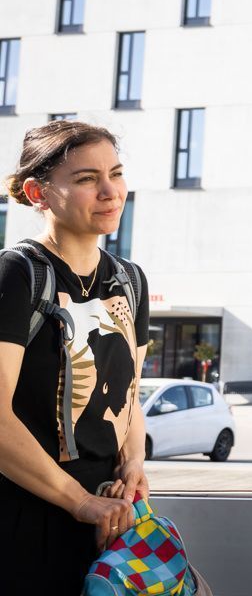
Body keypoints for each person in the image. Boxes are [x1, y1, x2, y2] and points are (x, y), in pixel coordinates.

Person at [0, 121, 150, 593]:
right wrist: (80, 502)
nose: (110, 191)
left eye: (116, 173)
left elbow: (130, 399)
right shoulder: (16, 275)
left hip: (109, 531)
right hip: (24, 530)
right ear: (37, 192)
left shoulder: (131, 281)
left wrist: (133, 465)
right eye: (86, 179)